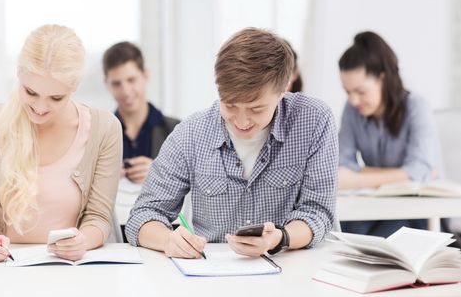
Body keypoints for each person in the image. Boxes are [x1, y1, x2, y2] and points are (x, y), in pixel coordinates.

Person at [125, 27, 338, 258]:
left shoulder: (314, 120)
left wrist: (280, 237)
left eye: (256, 109)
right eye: (230, 105)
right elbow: (143, 215)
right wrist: (168, 240)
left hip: (290, 267)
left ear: (284, 88)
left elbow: (318, 212)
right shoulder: (191, 133)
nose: (242, 121)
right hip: (211, 272)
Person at [0, 24, 122, 262]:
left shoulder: (104, 129)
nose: (40, 108)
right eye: (30, 92)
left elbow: (99, 218)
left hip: (71, 269)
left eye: (56, 98)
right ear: (18, 75)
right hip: (3, 269)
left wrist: (82, 242)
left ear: (74, 87)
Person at [337, 31, 443, 237]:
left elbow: (420, 172)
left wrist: (359, 177)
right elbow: (343, 166)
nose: (353, 100)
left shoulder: (416, 107)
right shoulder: (352, 110)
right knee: (345, 231)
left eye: (361, 91)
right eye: (347, 91)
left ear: (383, 79)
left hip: (421, 208)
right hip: (379, 205)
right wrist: (399, 173)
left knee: (381, 239)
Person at [102, 42, 180, 241]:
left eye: (131, 80)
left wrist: (157, 172)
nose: (126, 91)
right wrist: (104, 177)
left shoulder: (176, 130)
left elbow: (195, 189)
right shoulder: (101, 134)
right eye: (117, 83)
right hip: (113, 237)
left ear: (146, 76)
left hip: (163, 233)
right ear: (107, 84)